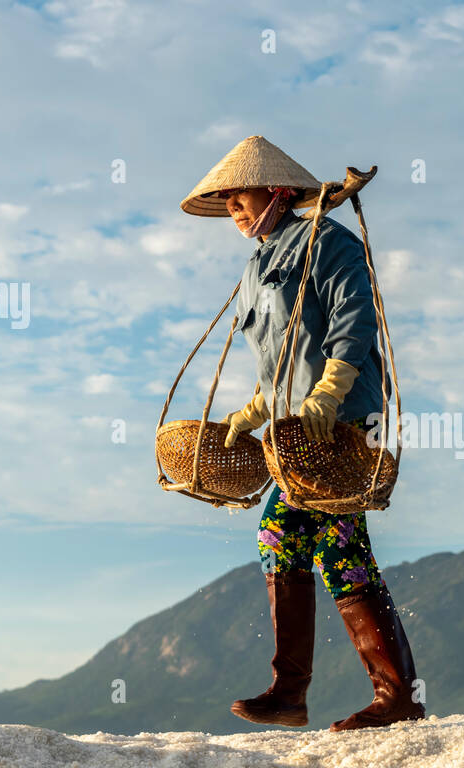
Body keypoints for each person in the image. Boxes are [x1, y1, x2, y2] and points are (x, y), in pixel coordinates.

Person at [179, 135, 424, 731]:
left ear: (279, 191)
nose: (234, 210)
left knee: (289, 531)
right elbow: (282, 358)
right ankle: (368, 696)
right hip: (295, 423)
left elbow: (353, 319)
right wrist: (251, 413)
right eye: (229, 203)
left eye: (242, 198)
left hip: (340, 417)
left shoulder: (329, 241)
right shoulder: (259, 264)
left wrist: (329, 392)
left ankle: (327, 694)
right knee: (326, 547)